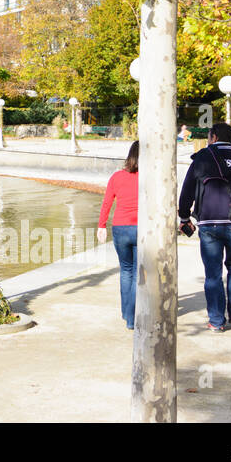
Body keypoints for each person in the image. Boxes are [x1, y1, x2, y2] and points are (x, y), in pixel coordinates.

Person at [178, 122, 231, 331]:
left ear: (214, 137)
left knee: (213, 273)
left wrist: (184, 217)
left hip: (209, 223)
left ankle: (216, 321)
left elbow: (187, 190)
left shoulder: (201, 158)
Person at [97, 141, 139, 330]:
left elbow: (107, 202)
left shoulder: (117, 176)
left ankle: (125, 312)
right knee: (138, 273)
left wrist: (101, 225)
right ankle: (132, 317)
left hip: (120, 228)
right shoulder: (149, 177)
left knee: (126, 271)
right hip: (141, 228)